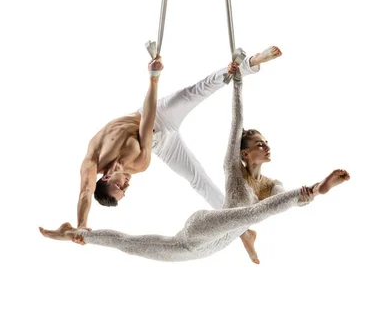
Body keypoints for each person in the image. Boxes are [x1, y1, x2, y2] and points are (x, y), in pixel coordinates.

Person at [39, 58, 350, 262]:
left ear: (105, 179)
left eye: (120, 187)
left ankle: (241, 67)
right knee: (197, 178)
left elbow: (146, 120)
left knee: (195, 92)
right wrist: (83, 225)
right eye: (126, 190)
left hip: (154, 116)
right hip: (159, 143)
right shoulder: (141, 163)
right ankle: (243, 230)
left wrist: (153, 79)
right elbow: (145, 142)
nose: (127, 184)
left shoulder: (94, 158)